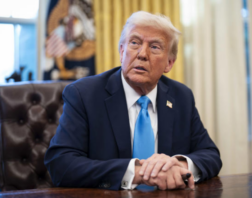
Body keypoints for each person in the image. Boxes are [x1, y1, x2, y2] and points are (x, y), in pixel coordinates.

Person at [44, 11, 222, 191]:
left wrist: (178, 166)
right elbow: (61, 164)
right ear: (122, 51)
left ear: (169, 63)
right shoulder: (84, 95)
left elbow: (210, 155)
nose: (142, 54)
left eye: (155, 47)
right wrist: (139, 172)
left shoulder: (181, 97)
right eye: (134, 43)